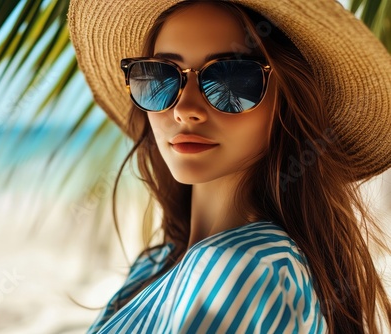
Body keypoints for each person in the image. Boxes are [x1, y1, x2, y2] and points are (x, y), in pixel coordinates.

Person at [69, 0, 391, 332]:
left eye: (231, 80)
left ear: (288, 100)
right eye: (161, 75)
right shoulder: (154, 263)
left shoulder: (249, 268)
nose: (185, 109)